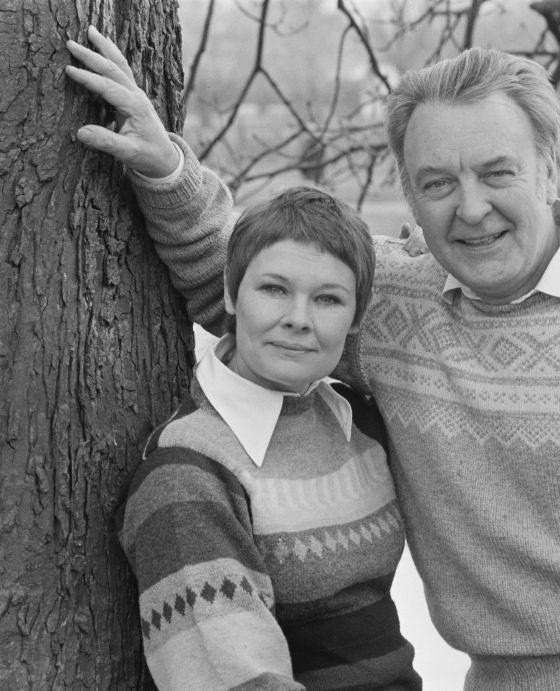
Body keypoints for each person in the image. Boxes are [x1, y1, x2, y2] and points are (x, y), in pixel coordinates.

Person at [67, 26, 560, 691]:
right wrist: (164, 168)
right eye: (436, 182)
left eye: (496, 172)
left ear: (551, 163)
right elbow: (256, 290)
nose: (469, 208)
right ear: (408, 192)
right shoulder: (392, 307)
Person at [114, 185, 421, 689]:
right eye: (274, 290)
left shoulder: (359, 422)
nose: (298, 319)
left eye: (327, 299)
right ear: (232, 294)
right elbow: (235, 680)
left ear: (358, 318)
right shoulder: (186, 477)